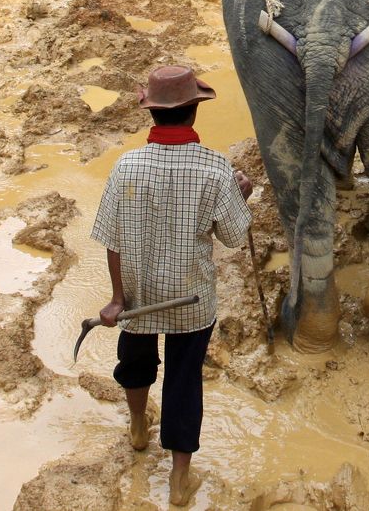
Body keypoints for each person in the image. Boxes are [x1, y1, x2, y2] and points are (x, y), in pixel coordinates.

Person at [90, 65, 252, 507]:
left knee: (136, 362)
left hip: (137, 298)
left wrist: (117, 299)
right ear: (194, 112)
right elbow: (235, 237)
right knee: (184, 381)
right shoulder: (217, 169)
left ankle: (139, 426)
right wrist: (244, 193)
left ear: (153, 115)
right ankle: (180, 481)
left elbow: (111, 237)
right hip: (191, 300)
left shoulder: (126, 166)